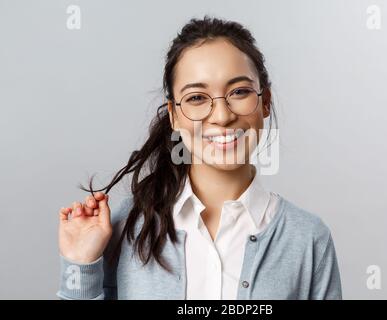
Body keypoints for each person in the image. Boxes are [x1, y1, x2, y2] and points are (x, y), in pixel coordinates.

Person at [57, 15, 342, 300]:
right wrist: (81, 265)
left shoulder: (308, 238)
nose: (222, 115)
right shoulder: (127, 226)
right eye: (196, 97)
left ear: (264, 102)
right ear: (174, 115)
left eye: (239, 92)